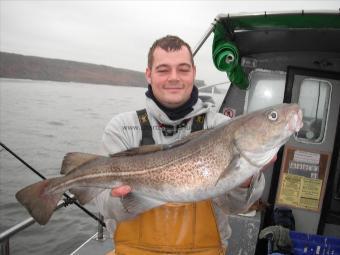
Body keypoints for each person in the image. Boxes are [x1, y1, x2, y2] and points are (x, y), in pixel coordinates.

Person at [95, 35, 273, 255]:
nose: (174, 78)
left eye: (183, 69)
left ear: (194, 73)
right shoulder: (123, 128)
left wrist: (243, 181)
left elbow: (237, 207)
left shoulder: (221, 127)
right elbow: (104, 206)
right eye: (163, 70)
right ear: (149, 75)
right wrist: (122, 199)